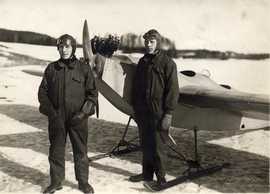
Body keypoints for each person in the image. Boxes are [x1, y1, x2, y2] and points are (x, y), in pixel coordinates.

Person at [38, 34, 98, 194]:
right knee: (56, 150)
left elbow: (92, 94)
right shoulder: (52, 68)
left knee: (80, 151)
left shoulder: (83, 69)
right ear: (58, 48)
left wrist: (83, 114)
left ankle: (83, 182)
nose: (64, 50)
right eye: (61, 47)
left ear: (73, 48)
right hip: (57, 118)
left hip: (78, 118)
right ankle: (56, 181)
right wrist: (52, 112)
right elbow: (42, 93)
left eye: (67, 46)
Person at [130, 29, 179, 191]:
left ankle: (162, 178)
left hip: (158, 111)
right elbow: (136, 86)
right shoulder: (143, 61)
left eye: (151, 42)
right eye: (146, 42)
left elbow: (173, 90)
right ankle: (146, 174)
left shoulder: (168, 63)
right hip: (143, 110)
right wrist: (135, 107)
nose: (148, 45)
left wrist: (169, 113)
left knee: (157, 146)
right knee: (145, 144)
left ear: (158, 43)